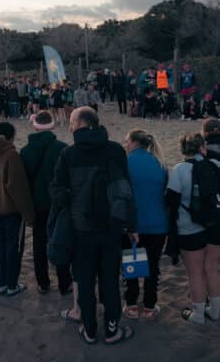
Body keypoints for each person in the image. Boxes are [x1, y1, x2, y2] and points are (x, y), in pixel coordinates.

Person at [51, 107, 136, 345]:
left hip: (82, 230)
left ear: (82, 125)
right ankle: (111, 330)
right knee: (110, 280)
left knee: (85, 281)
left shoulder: (69, 154)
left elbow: (56, 190)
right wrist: (130, 224)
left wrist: (72, 202)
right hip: (111, 228)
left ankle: (89, 331)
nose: (69, 126)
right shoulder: (115, 150)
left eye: (71, 122)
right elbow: (126, 191)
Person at [166, 133, 220, 324]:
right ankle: (215, 311)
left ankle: (198, 314)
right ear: (201, 148)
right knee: (212, 269)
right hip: (214, 227)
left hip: (190, 229)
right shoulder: (215, 165)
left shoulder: (179, 170)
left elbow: (171, 201)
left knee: (195, 272)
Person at [0, 122, 35, 296]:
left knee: (0, 245)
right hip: (11, 211)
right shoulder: (12, 155)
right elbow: (18, 189)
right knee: (13, 247)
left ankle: (1, 283)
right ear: (11, 136)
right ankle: (12, 284)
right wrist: (28, 215)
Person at [21, 111, 72, 295]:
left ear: (35, 127)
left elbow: (24, 181)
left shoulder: (26, 151)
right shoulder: (63, 148)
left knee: (39, 242)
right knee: (61, 241)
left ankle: (43, 282)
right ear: (53, 126)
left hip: (37, 204)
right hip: (57, 203)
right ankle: (64, 282)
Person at [124, 130, 168, 320]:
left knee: (132, 265)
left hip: (135, 223)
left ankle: (132, 304)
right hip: (158, 223)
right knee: (152, 265)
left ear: (133, 142)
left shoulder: (126, 162)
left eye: (127, 142)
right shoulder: (160, 163)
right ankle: (150, 305)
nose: (126, 145)